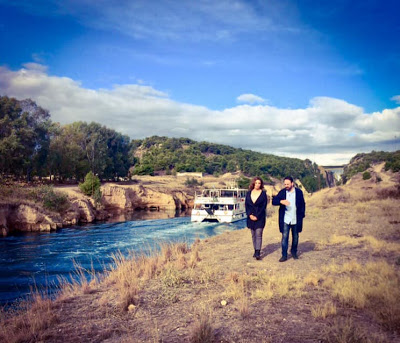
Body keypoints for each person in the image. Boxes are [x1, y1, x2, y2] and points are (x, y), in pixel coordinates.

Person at [272, 176, 306, 262]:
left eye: (288, 184)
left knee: (295, 237)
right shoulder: (282, 192)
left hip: (296, 219)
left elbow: (302, 204)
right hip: (285, 219)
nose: (286, 185)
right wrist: (281, 201)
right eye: (285, 184)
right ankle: (284, 255)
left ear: (292, 183)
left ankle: (294, 252)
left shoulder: (299, 192)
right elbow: (274, 201)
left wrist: (301, 215)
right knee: (284, 237)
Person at [245, 177, 268, 260]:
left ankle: (258, 252)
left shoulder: (263, 193)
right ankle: (255, 250)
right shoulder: (248, 193)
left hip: (260, 217)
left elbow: (263, 206)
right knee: (253, 234)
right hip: (250, 217)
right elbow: (246, 205)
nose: (258, 184)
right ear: (253, 183)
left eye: (259, 183)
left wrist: (257, 216)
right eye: (256, 183)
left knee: (258, 234)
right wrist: (250, 215)